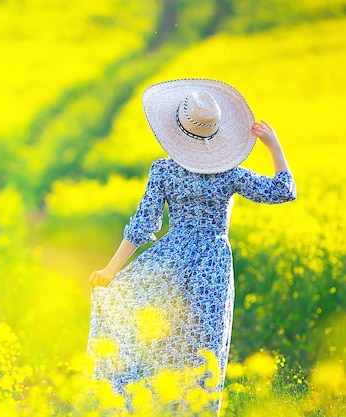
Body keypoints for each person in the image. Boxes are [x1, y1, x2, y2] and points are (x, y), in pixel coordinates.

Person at [86, 79, 296, 415]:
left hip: (170, 260)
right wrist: (274, 147)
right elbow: (283, 192)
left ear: (176, 128)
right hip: (212, 266)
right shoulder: (231, 172)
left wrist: (111, 270)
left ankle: (140, 406)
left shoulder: (164, 170)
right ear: (217, 132)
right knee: (204, 348)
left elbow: (143, 225)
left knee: (154, 336)